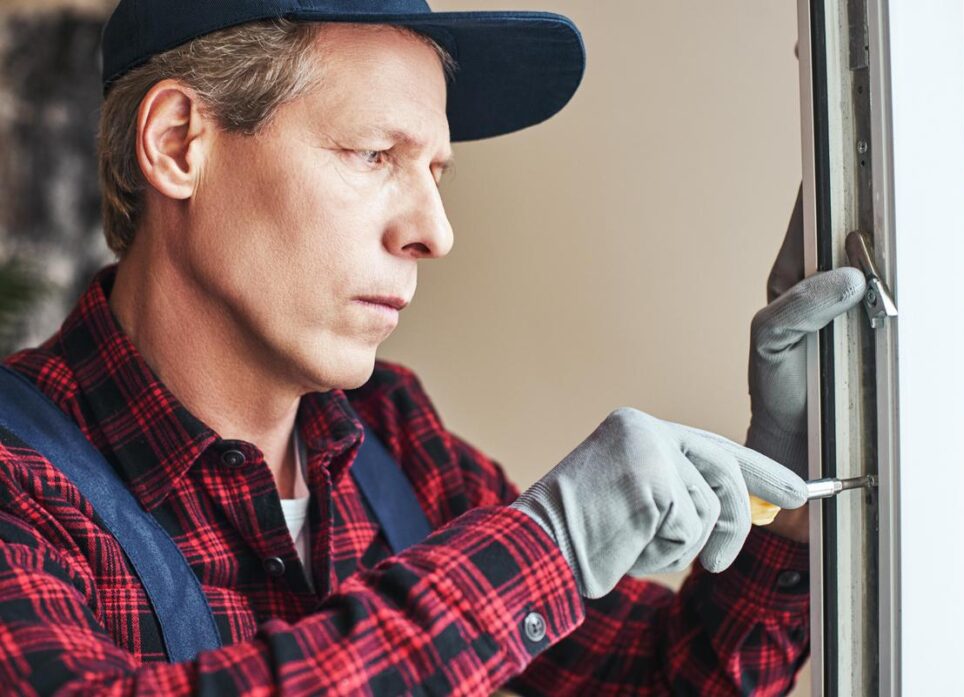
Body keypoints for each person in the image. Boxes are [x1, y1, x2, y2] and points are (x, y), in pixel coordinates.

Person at [0, 1, 865, 694]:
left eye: (436, 172)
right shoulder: (17, 480)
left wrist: (791, 482)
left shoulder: (393, 437)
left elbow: (664, 680)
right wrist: (546, 548)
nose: (434, 232)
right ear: (179, 143)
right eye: (375, 154)